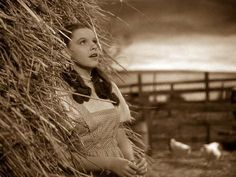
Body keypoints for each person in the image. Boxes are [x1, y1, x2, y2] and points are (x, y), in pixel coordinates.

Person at [58, 23, 148, 177]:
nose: (93, 47)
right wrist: (109, 163)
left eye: (94, 41)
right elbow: (63, 158)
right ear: (66, 52)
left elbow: (119, 134)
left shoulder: (109, 88)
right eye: (83, 42)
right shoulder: (60, 93)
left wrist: (132, 163)